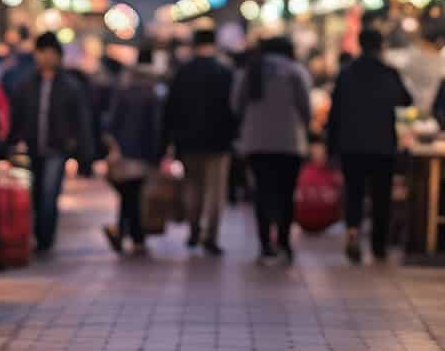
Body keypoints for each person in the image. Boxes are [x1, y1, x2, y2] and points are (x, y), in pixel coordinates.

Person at [328, 27, 413, 263]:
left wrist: (331, 147)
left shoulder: (347, 73)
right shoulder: (388, 72)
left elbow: (335, 113)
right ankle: (378, 245)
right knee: (381, 197)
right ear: (381, 46)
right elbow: (406, 100)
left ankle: (353, 233)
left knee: (353, 193)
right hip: (382, 145)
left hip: (351, 145)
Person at [8, 33, 95, 251]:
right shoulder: (26, 84)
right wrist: (11, 143)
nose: (46, 57)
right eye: (42, 52)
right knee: (36, 193)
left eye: (50, 53)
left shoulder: (70, 86)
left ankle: (45, 238)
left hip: (57, 147)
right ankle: (40, 233)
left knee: (49, 192)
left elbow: (81, 120)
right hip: (33, 146)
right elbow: (17, 116)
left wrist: (84, 153)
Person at [231, 36, 311, 265]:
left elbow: (236, 104)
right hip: (290, 143)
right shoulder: (296, 72)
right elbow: (306, 108)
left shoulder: (251, 72)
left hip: (256, 143)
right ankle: (284, 243)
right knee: (286, 194)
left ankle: (265, 245)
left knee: (262, 192)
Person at [163, 27, 237, 254]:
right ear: (214, 44)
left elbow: (171, 109)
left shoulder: (183, 72)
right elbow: (233, 108)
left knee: (192, 185)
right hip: (219, 141)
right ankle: (210, 235)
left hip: (188, 141)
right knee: (215, 191)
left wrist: (170, 139)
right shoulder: (225, 72)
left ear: (194, 45)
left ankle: (194, 227)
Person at [101, 47, 167, 255]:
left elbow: (111, 122)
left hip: (123, 151)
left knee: (128, 194)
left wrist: (113, 146)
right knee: (135, 194)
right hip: (144, 152)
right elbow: (157, 126)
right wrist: (159, 153)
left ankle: (124, 233)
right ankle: (134, 236)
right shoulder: (156, 91)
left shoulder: (124, 89)